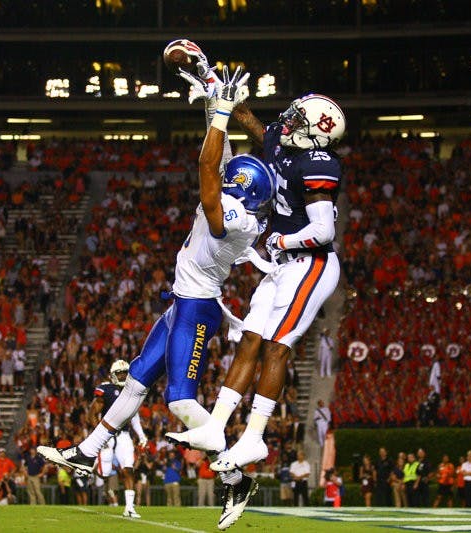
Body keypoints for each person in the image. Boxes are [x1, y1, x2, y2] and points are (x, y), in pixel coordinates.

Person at [38, 65, 273, 531]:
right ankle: (85, 452)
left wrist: (221, 112)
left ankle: (235, 476)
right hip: (183, 302)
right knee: (137, 380)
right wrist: (214, 103)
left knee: (180, 402)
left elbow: (210, 167)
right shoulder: (239, 202)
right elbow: (220, 157)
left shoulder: (237, 218)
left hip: (197, 307)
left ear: (241, 190)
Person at [168, 80, 345, 480]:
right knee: (250, 337)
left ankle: (255, 435)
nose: (288, 121)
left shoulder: (319, 164)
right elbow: (254, 123)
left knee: (277, 346)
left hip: (311, 263)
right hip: (284, 262)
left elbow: (323, 231)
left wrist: (282, 238)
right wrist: (219, 91)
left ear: (317, 131)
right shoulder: (286, 146)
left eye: (299, 118)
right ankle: (216, 425)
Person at [89, 360, 147, 518]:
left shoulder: (132, 390)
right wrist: (100, 435)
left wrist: (141, 436)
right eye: (119, 373)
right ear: (113, 375)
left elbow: (133, 415)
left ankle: (129, 507)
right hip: (108, 434)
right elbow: (92, 414)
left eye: (124, 373)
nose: (122, 376)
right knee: (104, 472)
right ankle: (94, 465)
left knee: (128, 469)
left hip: (124, 435)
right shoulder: (106, 389)